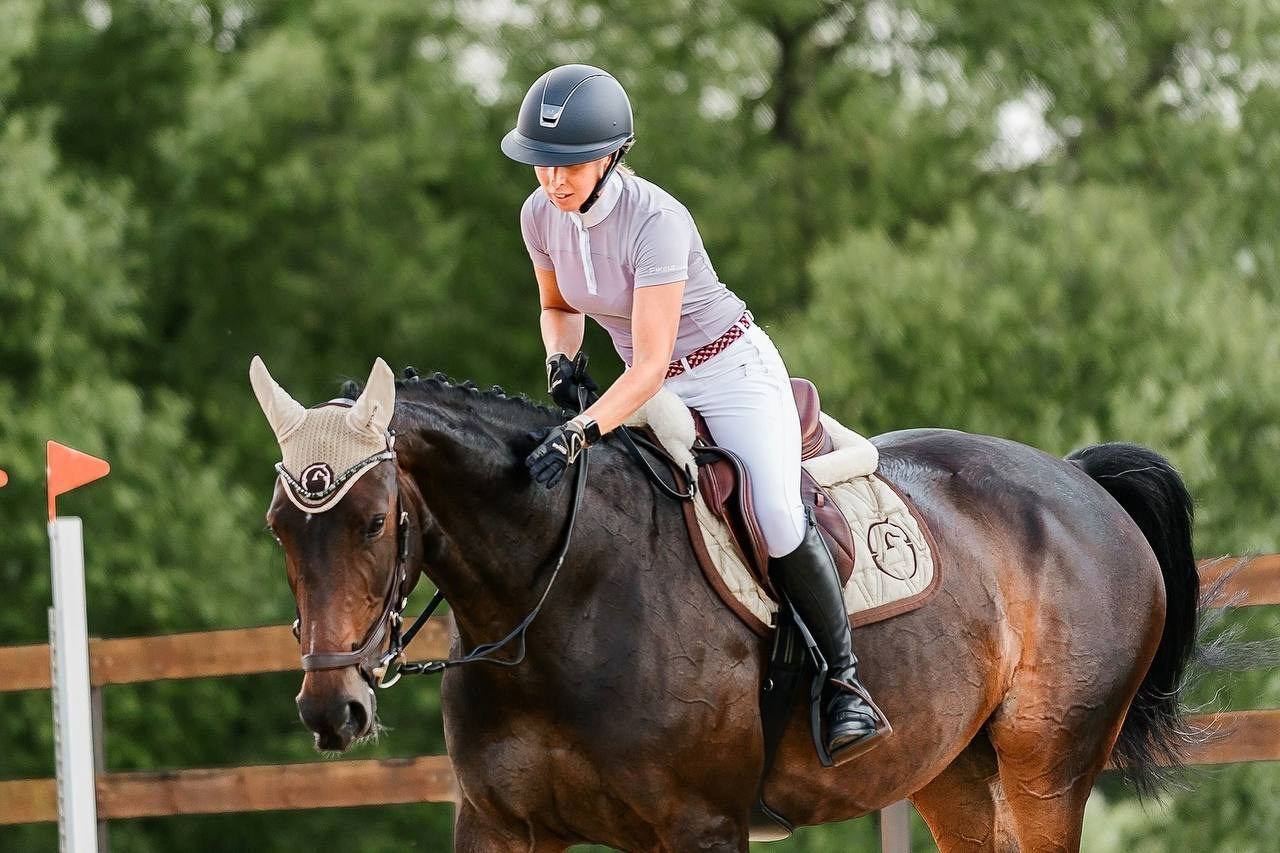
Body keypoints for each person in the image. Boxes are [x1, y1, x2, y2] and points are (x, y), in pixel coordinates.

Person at [503, 64, 883, 761]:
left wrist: (581, 430)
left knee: (772, 509)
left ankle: (845, 683)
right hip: (652, 386)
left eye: (571, 165)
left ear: (612, 156)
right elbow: (557, 307)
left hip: (728, 372)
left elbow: (648, 363)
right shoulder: (539, 217)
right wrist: (560, 361)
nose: (554, 181)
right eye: (543, 165)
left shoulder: (656, 220)